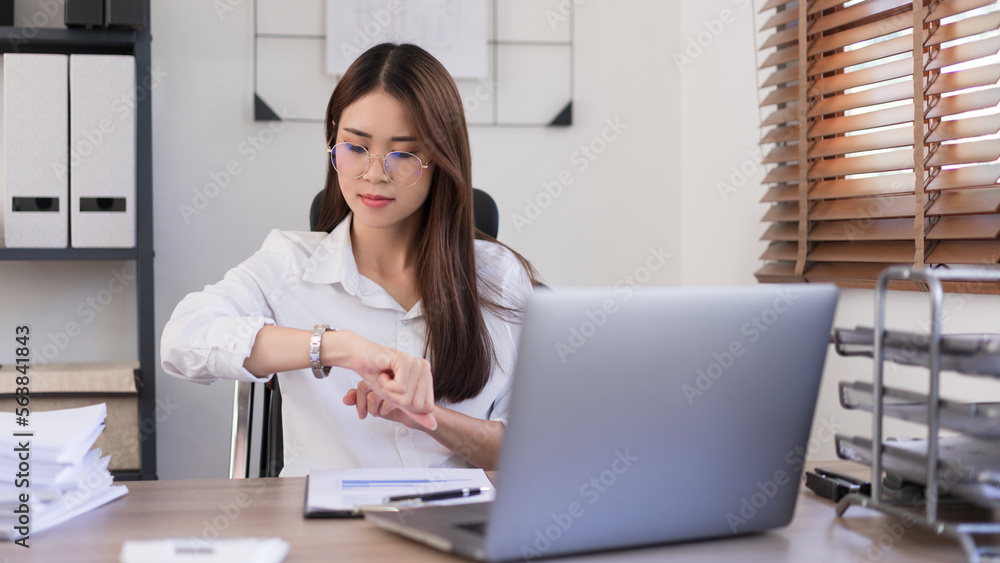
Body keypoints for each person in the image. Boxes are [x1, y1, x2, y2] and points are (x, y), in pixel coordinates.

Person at [160, 43, 538, 477]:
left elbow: (529, 451)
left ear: (440, 161)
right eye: (355, 148)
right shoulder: (289, 264)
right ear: (332, 143)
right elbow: (181, 341)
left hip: (451, 530)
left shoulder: (498, 278)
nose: (375, 173)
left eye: (404, 154)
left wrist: (426, 417)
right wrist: (340, 347)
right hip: (327, 532)